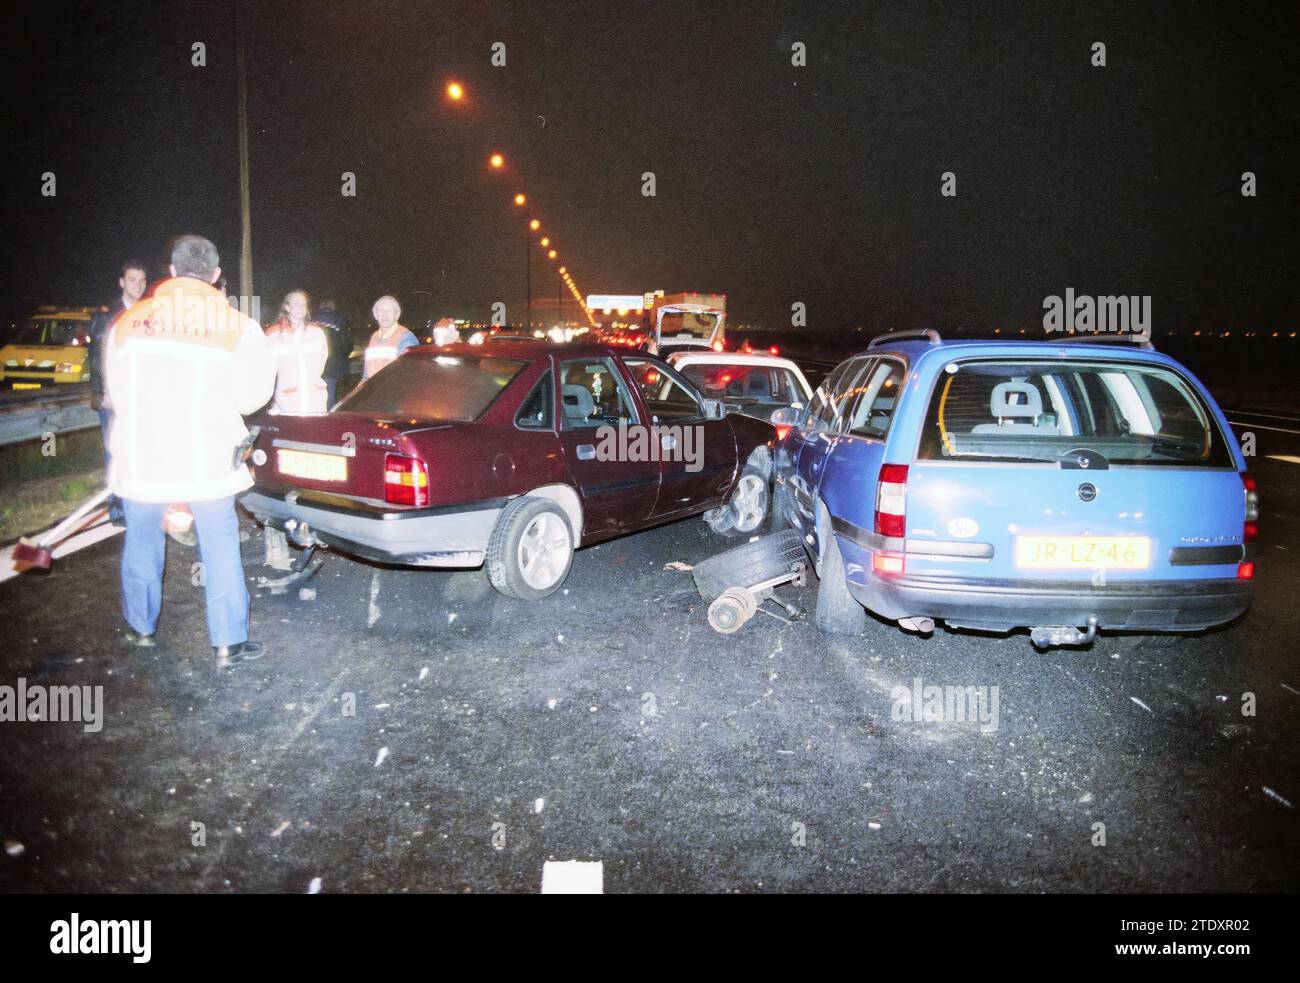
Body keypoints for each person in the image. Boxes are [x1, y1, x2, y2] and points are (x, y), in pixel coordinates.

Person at [105, 235, 275, 669]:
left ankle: (141, 629)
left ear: (173, 272)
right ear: (217, 275)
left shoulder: (128, 322)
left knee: (142, 541)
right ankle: (227, 644)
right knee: (218, 545)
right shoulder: (238, 325)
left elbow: (117, 393)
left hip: (144, 458)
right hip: (208, 459)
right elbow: (253, 397)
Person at [88, 259, 148, 523]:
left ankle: (140, 502)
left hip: (141, 396)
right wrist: (104, 392)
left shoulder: (147, 314)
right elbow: (96, 357)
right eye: (132, 280)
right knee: (115, 449)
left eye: (142, 280)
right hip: (115, 396)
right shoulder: (108, 316)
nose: (138, 285)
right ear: (122, 282)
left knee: (141, 449)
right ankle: (117, 509)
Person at [266, 290, 329, 414]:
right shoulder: (273, 335)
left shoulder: (316, 333)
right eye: (296, 304)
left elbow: (322, 361)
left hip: (315, 400)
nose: (300, 307)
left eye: (303, 304)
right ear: (287, 307)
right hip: (286, 402)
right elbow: (268, 370)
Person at [362, 295, 418, 380]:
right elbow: (367, 372)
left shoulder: (405, 337)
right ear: (376, 315)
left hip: (393, 390)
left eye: (389, 310)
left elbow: (409, 375)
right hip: (373, 389)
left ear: (397, 315)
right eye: (381, 310)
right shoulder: (374, 336)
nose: (384, 314)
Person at [315, 298, 353, 406]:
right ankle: (328, 419)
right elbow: (347, 344)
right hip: (333, 364)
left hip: (315, 365)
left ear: (321, 306)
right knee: (330, 394)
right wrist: (343, 357)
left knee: (318, 394)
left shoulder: (313, 321)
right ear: (333, 307)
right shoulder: (340, 320)